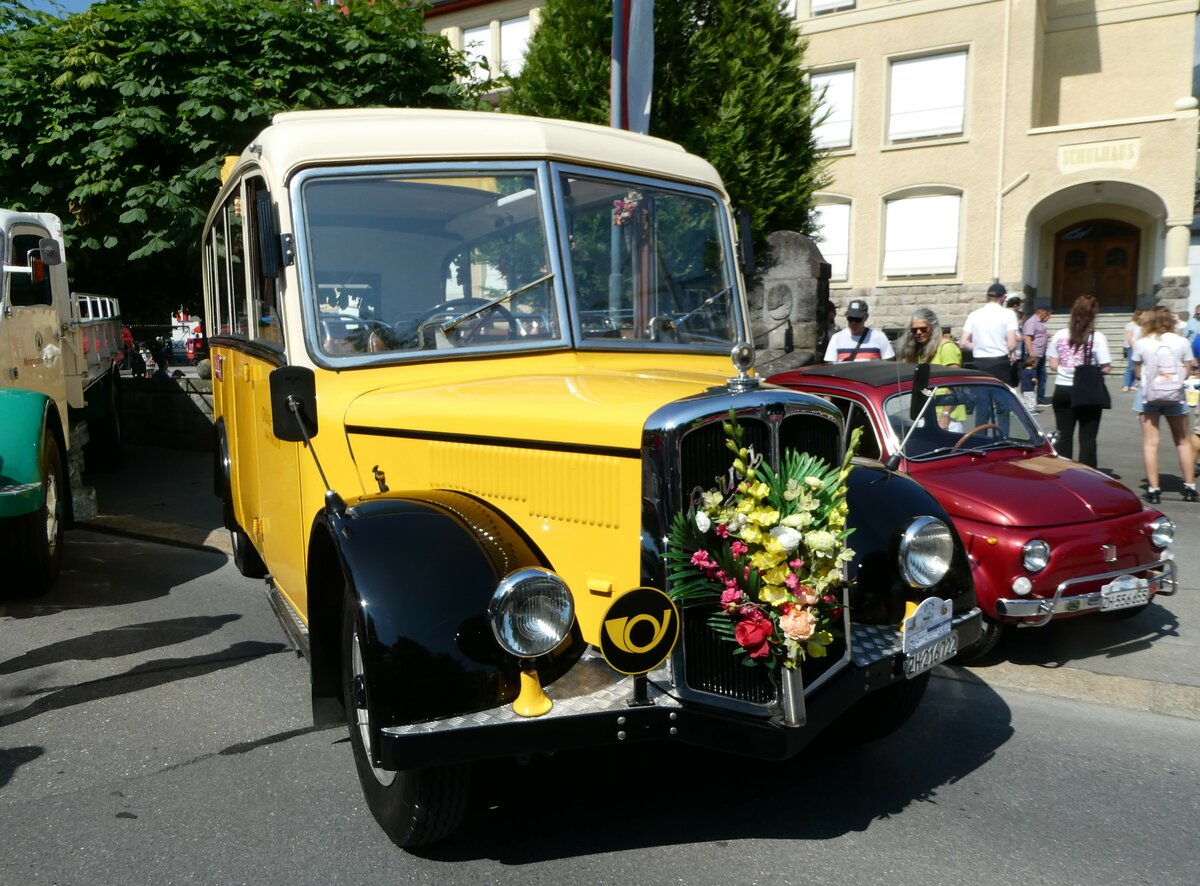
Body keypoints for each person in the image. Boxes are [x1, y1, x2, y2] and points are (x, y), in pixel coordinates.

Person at [1131, 305, 1197, 503]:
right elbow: (1187, 369)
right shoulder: (1182, 341)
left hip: (1149, 395)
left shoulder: (1142, 342)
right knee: (1182, 441)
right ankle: (1190, 486)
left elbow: (1136, 372)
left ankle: (1154, 489)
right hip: (1175, 394)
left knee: (1151, 443)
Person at [1047, 293, 1110, 468]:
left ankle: (1064, 472)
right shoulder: (1097, 337)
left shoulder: (1059, 335)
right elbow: (1106, 367)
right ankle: (1087, 475)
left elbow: (1053, 364)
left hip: (1062, 389)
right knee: (1088, 438)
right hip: (1087, 390)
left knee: (1064, 436)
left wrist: (1066, 369)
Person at [898, 308, 965, 430]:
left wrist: (945, 415)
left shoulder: (946, 347)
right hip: (926, 414)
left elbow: (954, 384)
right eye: (914, 330)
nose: (918, 332)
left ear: (933, 328)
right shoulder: (920, 350)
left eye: (923, 329)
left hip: (947, 417)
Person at [960, 283, 1019, 383]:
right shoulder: (1009, 314)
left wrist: (980, 346)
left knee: (981, 391)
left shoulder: (974, 315)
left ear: (987, 297)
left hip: (979, 362)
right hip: (999, 362)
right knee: (1000, 391)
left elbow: (963, 343)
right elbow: (1011, 345)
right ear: (1003, 297)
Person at [824, 298, 894, 362]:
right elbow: (830, 366)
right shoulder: (836, 338)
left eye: (857, 319)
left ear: (866, 317)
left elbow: (888, 364)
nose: (853, 323)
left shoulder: (879, 337)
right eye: (850, 319)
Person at [1023, 302, 1052, 405]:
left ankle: (1040, 399)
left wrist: (1045, 336)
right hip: (1034, 355)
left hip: (1041, 354)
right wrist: (1031, 353)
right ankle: (1028, 400)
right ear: (1043, 312)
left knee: (1042, 376)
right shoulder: (1032, 322)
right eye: (1048, 313)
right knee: (1031, 378)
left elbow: (1037, 335)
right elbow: (1027, 338)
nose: (1049, 316)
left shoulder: (1040, 322)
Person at [1122, 309, 1142, 391]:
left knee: (1135, 366)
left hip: (1138, 347)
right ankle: (1126, 384)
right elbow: (1129, 337)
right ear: (1138, 316)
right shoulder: (1130, 325)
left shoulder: (1140, 326)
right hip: (1131, 347)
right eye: (1142, 315)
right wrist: (1134, 346)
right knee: (1130, 366)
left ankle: (1131, 384)